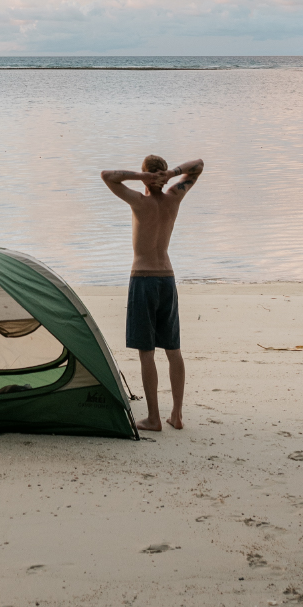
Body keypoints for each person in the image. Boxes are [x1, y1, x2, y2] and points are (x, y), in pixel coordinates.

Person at [100, 154, 204, 431]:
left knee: (146, 351)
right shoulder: (174, 198)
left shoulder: (139, 201)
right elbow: (198, 165)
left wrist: (139, 176)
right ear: (163, 174)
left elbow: (107, 175)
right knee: (173, 349)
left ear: (147, 174)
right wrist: (174, 172)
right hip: (167, 279)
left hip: (144, 279)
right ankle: (177, 415)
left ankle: (155, 418)